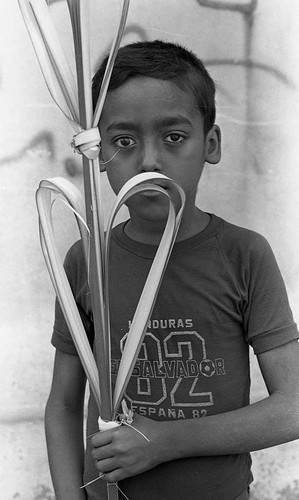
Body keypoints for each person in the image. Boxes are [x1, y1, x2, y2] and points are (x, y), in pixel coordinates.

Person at [45, 40, 299, 500]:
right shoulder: (85, 262)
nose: (148, 161)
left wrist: (166, 443)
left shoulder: (243, 255)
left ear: (211, 144)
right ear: (97, 153)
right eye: (123, 141)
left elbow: (294, 407)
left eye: (173, 137)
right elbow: (64, 404)